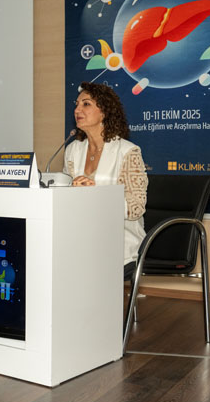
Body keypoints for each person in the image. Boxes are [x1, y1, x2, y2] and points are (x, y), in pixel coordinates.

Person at [63, 82, 147, 280]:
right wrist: (70, 189)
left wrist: (98, 194)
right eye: (77, 104)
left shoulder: (128, 151)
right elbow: (65, 195)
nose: (77, 110)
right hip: (81, 233)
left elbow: (136, 207)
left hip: (118, 237)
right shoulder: (72, 150)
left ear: (104, 112)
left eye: (86, 104)